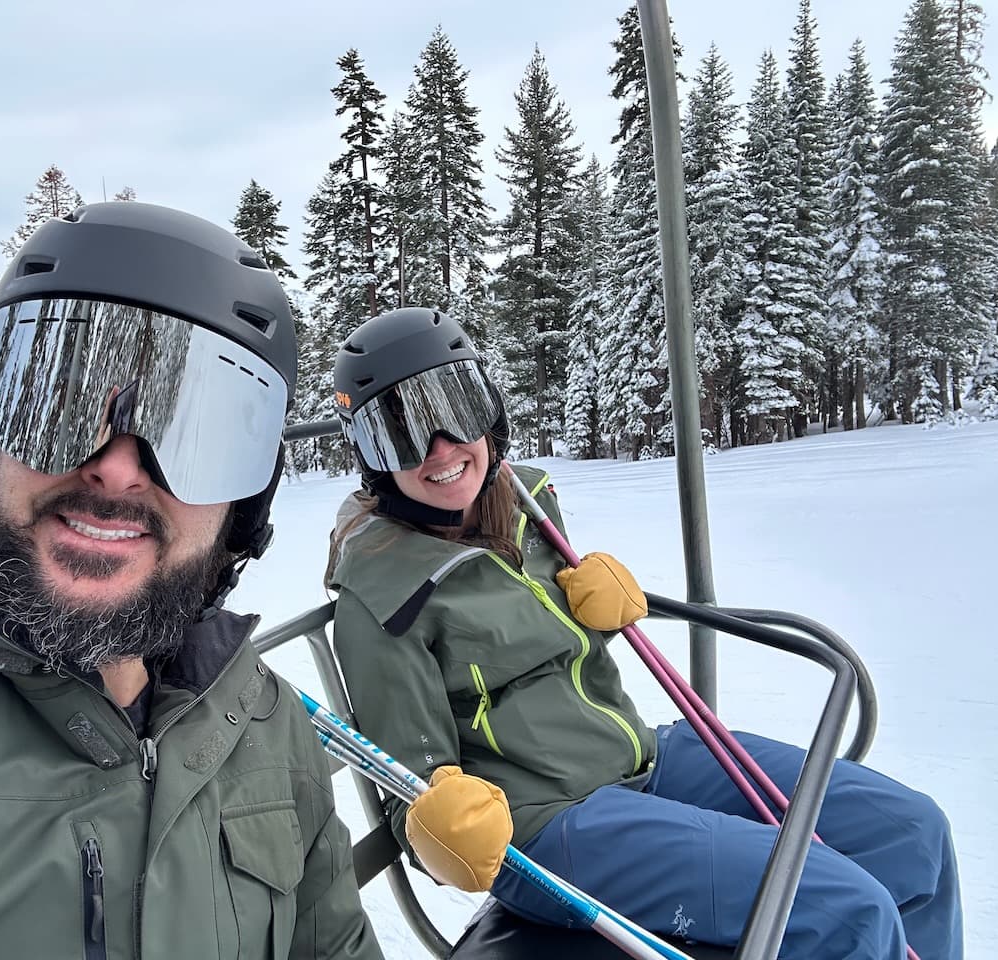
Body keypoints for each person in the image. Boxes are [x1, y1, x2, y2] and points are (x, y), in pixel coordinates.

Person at [0, 202, 383, 960]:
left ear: (242, 509)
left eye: (195, 433)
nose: (119, 468)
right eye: (58, 407)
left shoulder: (262, 720)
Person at [325, 307, 962, 960]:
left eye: (454, 408)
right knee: (843, 910)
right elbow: (409, 779)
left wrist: (595, 598)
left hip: (643, 759)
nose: (439, 447)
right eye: (400, 433)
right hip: (549, 829)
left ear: (487, 410)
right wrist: (437, 821)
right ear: (373, 461)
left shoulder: (527, 511)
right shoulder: (382, 595)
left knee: (912, 835)